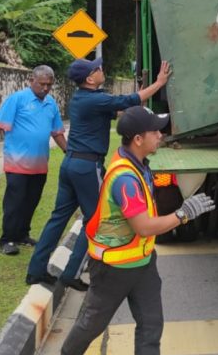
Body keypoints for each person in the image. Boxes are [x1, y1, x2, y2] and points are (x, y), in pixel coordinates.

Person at [49, 105, 216, 355]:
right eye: (155, 131)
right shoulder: (125, 178)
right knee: (92, 324)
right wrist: (182, 214)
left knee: (151, 326)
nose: (161, 136)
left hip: (142, 264)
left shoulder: (139, 165)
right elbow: (144, 226)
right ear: (138, 139)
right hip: (113, 268)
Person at [26, 57, 172, 290]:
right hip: (86, 167)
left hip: (71, 164)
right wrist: (159, 82)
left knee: (58, 217)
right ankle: (70, 273)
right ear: (90, 78)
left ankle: (35, 270)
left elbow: (119, 109)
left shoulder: (82, 99)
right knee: (94, 219)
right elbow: (129, 100)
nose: (102, 70)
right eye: (98, 69)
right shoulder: (94, 100)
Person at [0, 66, 67, 256]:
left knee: (32, 201)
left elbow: (57, 132)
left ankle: (22, 234)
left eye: (49, 85)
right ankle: (7, 239)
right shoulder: (17, 99)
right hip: (17, 163)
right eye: (42, 84)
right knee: (15, 202)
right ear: (31, 80)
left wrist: (68, 152)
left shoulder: (51, 103)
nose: (45, 88)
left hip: (39, 165)